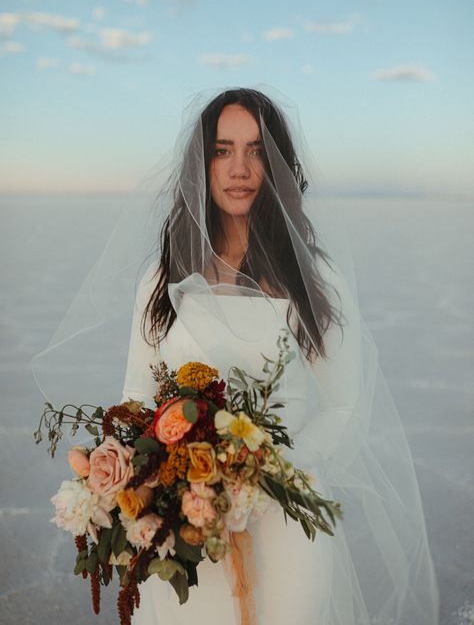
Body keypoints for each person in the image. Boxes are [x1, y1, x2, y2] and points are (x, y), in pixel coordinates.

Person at [32, 87, 439, 625]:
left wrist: (266, 474)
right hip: (184, 529)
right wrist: (132, 466)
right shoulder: (164, 278)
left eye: (256, 151)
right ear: (201, 164)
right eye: (223, 150)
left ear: (278, 165)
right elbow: (135, 395)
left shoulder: (315, 281)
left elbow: (343, 407)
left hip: (285, 516)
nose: (240, 168)